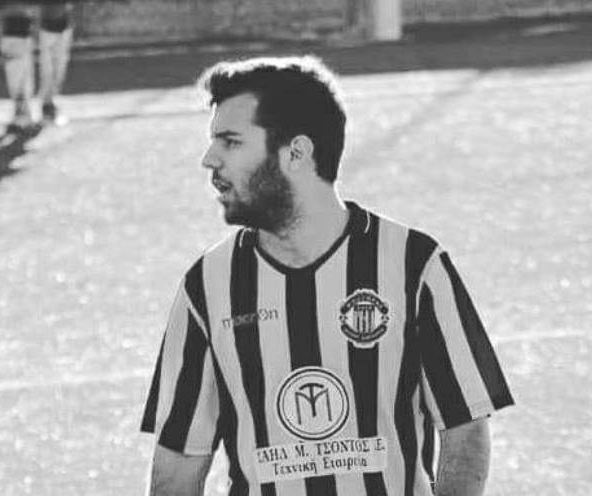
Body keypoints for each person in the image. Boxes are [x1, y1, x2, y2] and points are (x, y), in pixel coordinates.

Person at [140, 56, 514, 496]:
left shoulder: (413, 263)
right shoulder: (208, 284)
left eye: (231, 142)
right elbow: (179, 465)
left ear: (296, 153)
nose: (209, 159)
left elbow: (465, 430)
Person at [0, 0, 73, 132]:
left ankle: (46, 106)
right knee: (19, 65)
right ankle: (23, 111)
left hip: (53, 22)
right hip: (18, 26)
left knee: (52, 65)